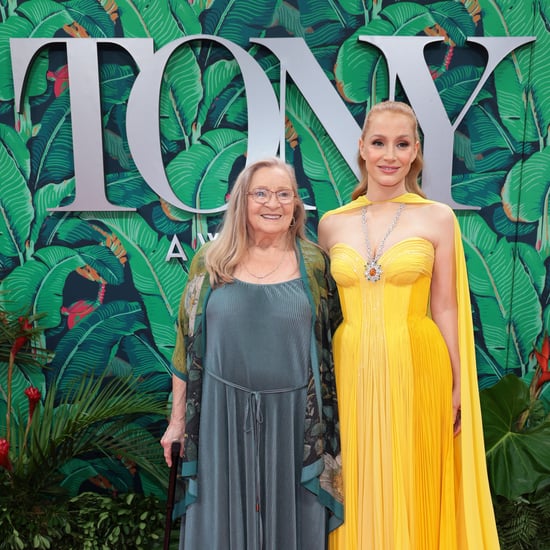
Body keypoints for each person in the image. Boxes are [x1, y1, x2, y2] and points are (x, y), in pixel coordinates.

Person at [318, 100, 500, 550]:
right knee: (357, 479)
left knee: (411, 476)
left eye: (402, 145)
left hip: (419, 367)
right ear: (361, 148)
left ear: (416, 152)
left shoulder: (438, 217)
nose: (389, 155)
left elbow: (446, 308)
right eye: (379, 143)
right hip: (351, 369)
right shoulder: (331, 224)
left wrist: (459, 384)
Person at [161, 157, 344, 550]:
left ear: (296, 204)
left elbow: (333, 345)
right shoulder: (209, 263)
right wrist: (177, 423)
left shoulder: (315, 265)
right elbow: (184, 346)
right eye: (260, 193)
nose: (272, 203)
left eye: (283, 194)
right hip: (219, 419)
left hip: (296, 422)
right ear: (241, 201)